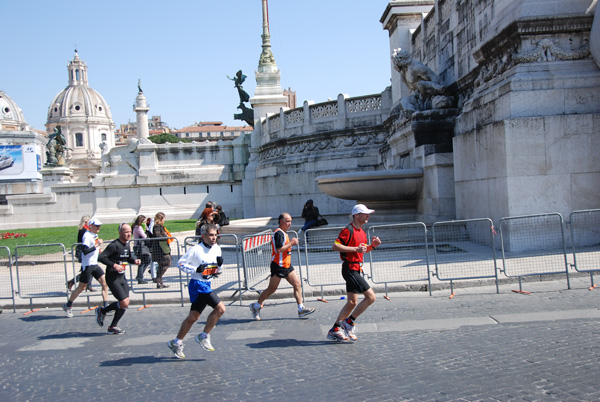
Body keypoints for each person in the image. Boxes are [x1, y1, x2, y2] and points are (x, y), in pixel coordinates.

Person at [167, 223, 226, 359]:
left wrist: (220, 266)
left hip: (207, 283)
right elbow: (180, 263)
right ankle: (204, 336)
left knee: (194, 317)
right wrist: (195, 269)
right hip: (198, 285)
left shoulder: (217, 248)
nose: (214, 238)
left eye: (215, 235)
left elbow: (217, 271)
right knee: (221, 309)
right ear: (203, 236)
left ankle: (176, 342)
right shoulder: (195, 249)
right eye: (211, 235)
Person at [327, 204, 382, 342]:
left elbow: (361, 251)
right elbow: (335, 246)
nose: (368, 216)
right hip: (350, 269)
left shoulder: (362, 232)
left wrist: (372, 246)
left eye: (368, 213)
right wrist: (354, 249)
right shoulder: (348, 230)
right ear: (356, 215)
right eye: (365, 213)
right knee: (371, 297)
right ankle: (349, 322)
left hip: (357, 268)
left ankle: (335, 329)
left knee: (352, 302)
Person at [249, 213, 315, 321]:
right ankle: (256, 306)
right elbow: (279, 249)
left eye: (291, 221)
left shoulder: (284, 233)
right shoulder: (278, 233)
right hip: (278, 266)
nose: (290, 224)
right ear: (281, 221)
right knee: (271, 289)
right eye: (288, 221)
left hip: (287, 265)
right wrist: (292, 243)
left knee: (297, 284)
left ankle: (301, 308)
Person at [95, 223, 141, 335]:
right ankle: (103, 312)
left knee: (125, 303)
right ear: (120, 232)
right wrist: (114, 265)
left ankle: (112, 325)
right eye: (126, 232)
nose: (129, 234)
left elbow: (128, 257)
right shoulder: (114, 245)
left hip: (122, 277)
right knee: (124, 302)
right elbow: (101, 257)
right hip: (112, 277)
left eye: (130, 231)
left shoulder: (126, 244)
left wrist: (134, 260)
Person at [62, 218, 109, 317]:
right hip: (87, 265)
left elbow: (93, 248)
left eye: (99, 226)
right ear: (91, 226)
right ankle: (68, 305)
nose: (98, 228)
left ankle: (105, 307)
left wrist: (98, 249)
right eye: (96, 226)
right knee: (81, 287)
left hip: (94, 264)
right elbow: (85, 250)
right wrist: (97, 246)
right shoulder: (87, 235)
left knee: (105, 283)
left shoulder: (94, 234)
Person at [67, 215, 95, 292]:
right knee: (88, 270)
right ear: (86, 222)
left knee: (90, 269)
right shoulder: (84, 230)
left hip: (86, 251)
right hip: (83, 252)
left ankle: (88, 285)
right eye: (89, 221)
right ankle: (73, 282)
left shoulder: (86, 229)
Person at [152, 212, 172, 288]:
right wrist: (165, 236)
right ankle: (158, 280)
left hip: (163, 248)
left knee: (164, 264)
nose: (164, 220)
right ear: (160, 219)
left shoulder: (160, 226)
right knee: (166, 263)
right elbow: (157, 236)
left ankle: (159, 281)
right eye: (163, 218)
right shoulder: (156, 227)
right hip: (160, 249)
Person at [132, 215, 152, 284]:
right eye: (144, 221)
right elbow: (145, 236)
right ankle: (140, 277)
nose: (145, 222)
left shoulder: (140, 227)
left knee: (147, 260)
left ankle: (139, 275)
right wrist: (146, 229)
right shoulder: (138, 228)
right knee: (142, 262)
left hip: (142, 247)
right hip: (139, 247)